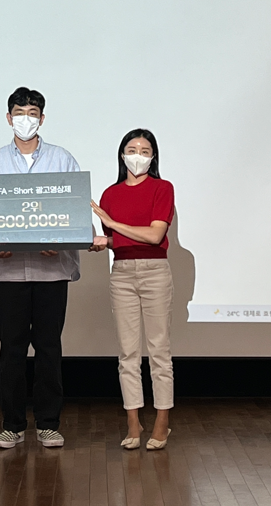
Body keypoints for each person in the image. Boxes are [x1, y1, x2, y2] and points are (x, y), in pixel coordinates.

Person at [0, 87, 80, 449]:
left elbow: (74, 209)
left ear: (42, 118)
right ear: (9, 118)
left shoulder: (62, 159)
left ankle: (49, 423)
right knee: (11, 349)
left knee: (49, 347)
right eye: (19, 113)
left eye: (32, 113)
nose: (26, 119)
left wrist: (61, 240)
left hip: (52, 271)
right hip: (8, 272)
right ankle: (13, 424)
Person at [91, 129, 175, 450]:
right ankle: (133, 422)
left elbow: (155, 236)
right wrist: (103, 241)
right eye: (131, 149)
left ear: (153, 157)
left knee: (159, 351)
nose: (137, 156)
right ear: (122, 154)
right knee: (128, 354)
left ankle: (162, 423)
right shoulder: (110, 194)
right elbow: (120, 240)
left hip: (155, 271)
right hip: (122, 272)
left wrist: (112, 226)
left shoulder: (162, 188)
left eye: (144, 150)